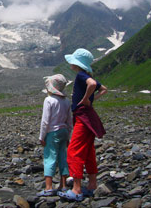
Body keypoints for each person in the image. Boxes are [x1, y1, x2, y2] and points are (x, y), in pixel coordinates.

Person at [58, 48, 107, 201]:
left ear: (76, 63)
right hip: (89, 117)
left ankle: (77, 189)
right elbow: (104, 89)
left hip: (83, 118)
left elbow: (91, 84)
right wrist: (91, 100)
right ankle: (92, 184)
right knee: (88, 151)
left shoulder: (81, 75)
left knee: (74, 151)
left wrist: (86, 99)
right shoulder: (86, 75)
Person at [37, 74, 73, 197]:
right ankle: (63, 186)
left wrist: (42, 137)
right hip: (64, 132)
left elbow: (45, 121)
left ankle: (48, 187)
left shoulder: (49, 100)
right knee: (63, 156)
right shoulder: (66, 101)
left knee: (50, 157)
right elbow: (69, 120)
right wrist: (69, 135)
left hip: (52, 132)